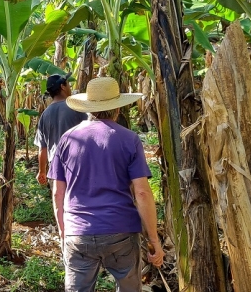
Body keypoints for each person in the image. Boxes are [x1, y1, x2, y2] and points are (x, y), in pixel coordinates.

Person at [48, 77, 164, 292]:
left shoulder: (67, 139)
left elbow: (58, 194)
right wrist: (154, 240)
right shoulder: (129, 139)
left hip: (78, 231)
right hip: (120, 231)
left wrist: (64, 233)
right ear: (117, 109)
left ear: (88, 108)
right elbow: (142, 193)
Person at [34, 73, 87, 186]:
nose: (69, 86)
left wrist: (41, 171)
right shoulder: (76, 107)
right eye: (68, 84)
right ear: (63, 87)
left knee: (58, 202)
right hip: (76, 167)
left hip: (55, 169)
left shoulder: (45, 114)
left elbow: (42, 148)